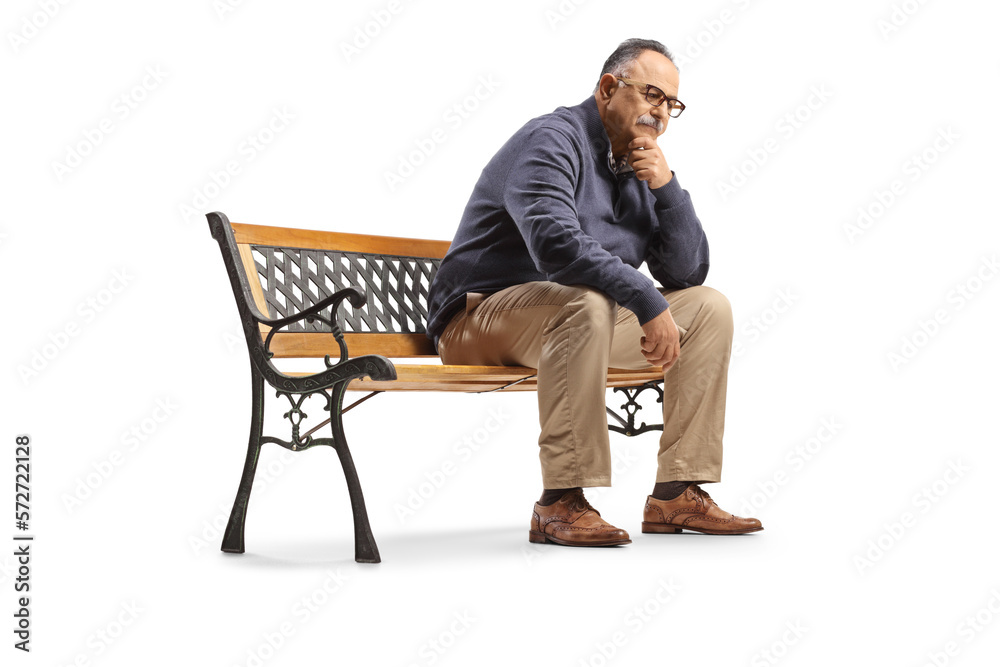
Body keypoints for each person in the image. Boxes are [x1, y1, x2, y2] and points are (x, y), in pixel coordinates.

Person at [425, 38, 762, 547]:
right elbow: (555, 245)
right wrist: (645, 300)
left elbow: (686, 273)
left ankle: (676, 493)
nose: (661, 113)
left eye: (670, 104)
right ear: (608, 87)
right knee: (584, 301)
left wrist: (667, 189)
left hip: (577, 320)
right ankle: (559, 502)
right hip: (478, 318)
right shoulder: (551, 139)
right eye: (651, 94)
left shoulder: (637, 164)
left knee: (708, 308)